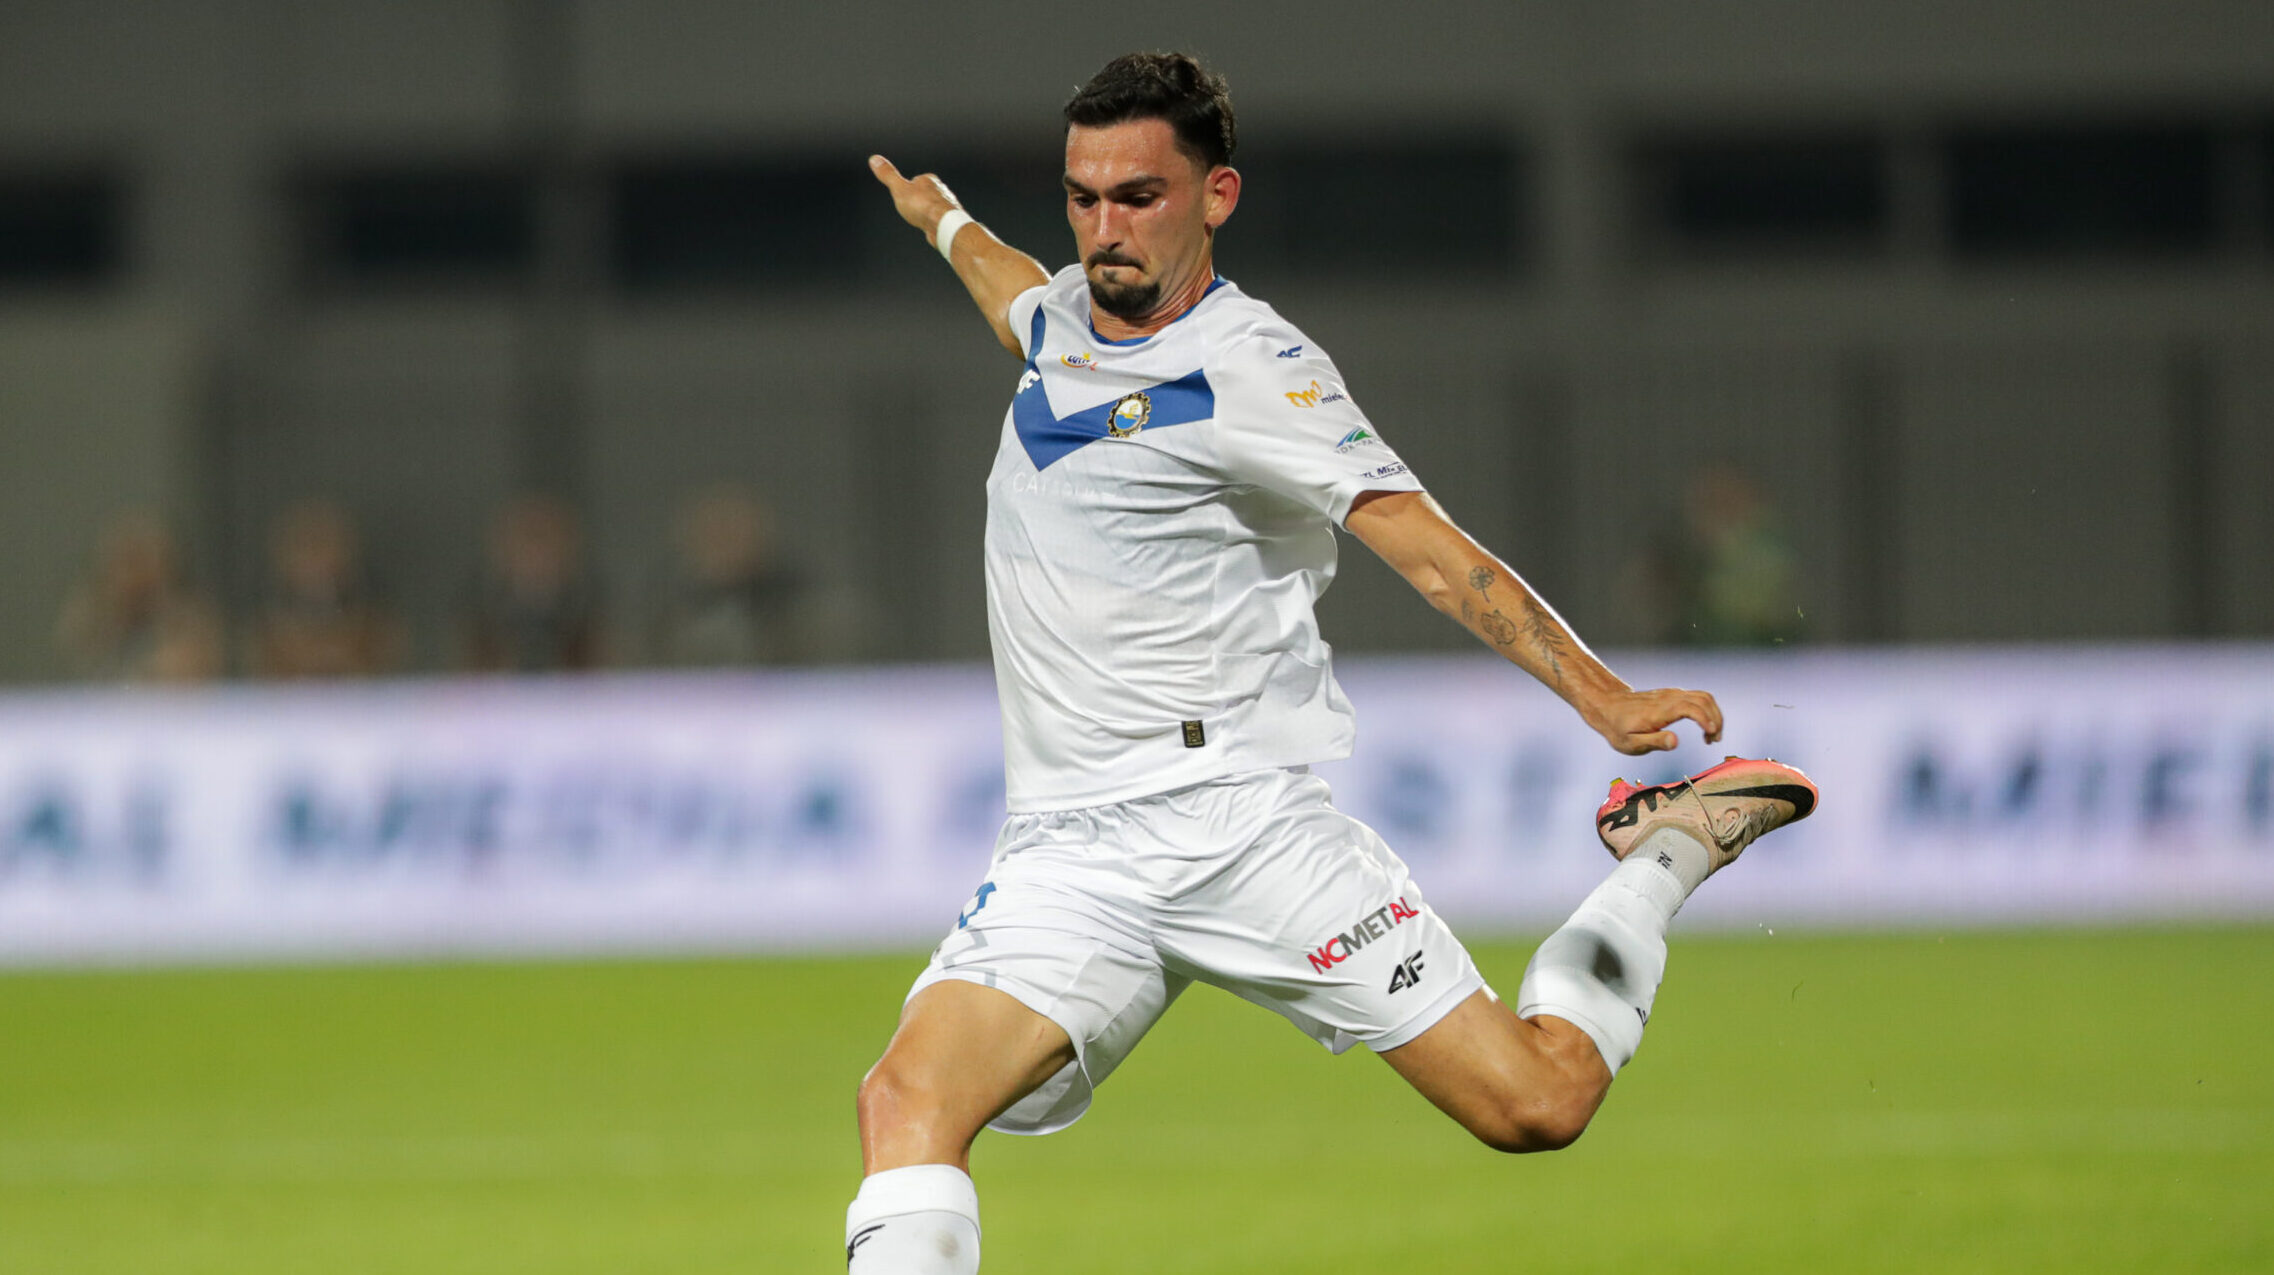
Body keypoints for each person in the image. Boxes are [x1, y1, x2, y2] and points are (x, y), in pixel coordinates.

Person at [850, 53, 1818, 1274]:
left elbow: (1424, 548)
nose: (1104, 229)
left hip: (1245, 828)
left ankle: (1666, 848)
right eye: (1082, 197)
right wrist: (939, 216)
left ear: (1218, 196)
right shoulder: (1058, 324)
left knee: (1538, 1107)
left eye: (1139, 196)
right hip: (1070, 852)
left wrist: (1601, 693)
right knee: (904, 1105)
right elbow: (1009, 293)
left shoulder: (1258, 368)